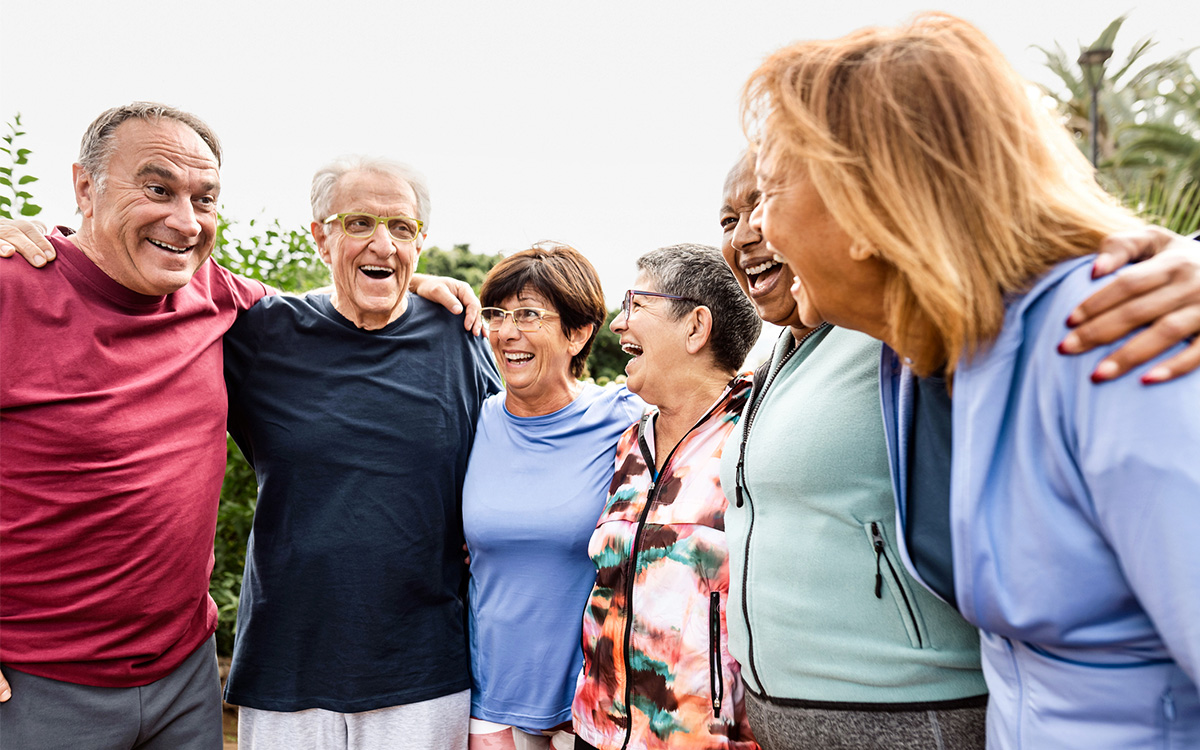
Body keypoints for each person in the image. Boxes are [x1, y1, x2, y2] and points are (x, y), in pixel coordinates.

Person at [742, 13, 1200, 746]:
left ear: (868, 208)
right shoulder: (920, 358)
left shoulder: (1115, 340)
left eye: (768, 192)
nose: (757, 231)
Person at [0, 102, 478, 749]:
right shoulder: (14, 289)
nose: (184, 219)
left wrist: (415, 282)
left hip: (184, 676)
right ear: (85, 188)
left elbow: (348, 308)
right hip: (39, 682)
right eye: (158, 188)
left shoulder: (220, 301)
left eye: (204, 198)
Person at [221, 156, 501, 749]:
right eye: (359, 224)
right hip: (286, 662)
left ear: (421, 242)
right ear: (320, 236)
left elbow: (519, 457)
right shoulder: (263, 332)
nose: (384, 243)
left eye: (402, 228)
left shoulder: (460, 338)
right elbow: (151, 298)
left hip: (422, 667)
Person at [572, 244, 762, 750]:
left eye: (636, 304)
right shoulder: (627, 445)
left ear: (696, 327)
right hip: (597, 734)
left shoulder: (758, 440)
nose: (617, 322)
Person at [463, 242, 644, 750]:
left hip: (592, 700)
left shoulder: (625, 416)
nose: (507, 332)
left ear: (579, 333)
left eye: (528, 314)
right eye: (497, 314)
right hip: (490, 697)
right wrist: (419, 283)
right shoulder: (473, 420)